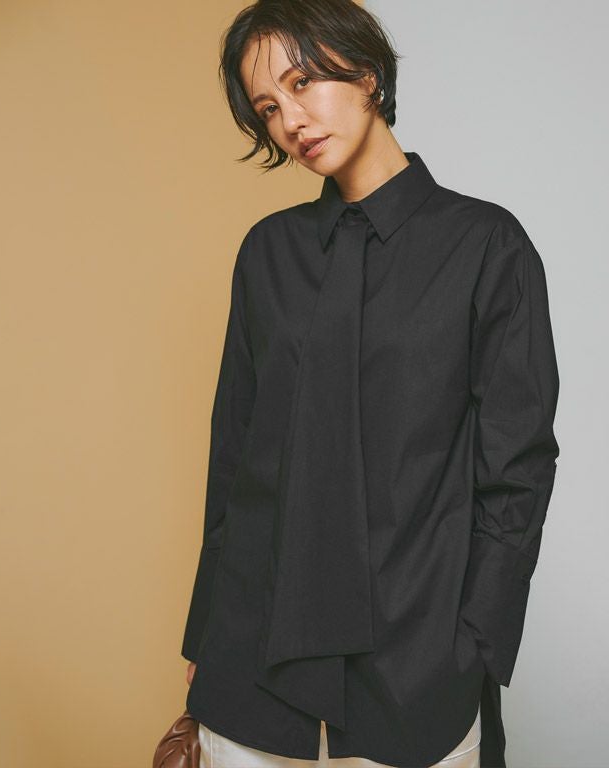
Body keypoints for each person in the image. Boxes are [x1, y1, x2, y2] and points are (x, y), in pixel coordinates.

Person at [180, 1, 560, 767]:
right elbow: (234, 455)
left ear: (366, 73)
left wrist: (473, 645)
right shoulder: (267, 254)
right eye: (267, 106)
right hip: (250, 664)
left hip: (414, 674)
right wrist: (204, 633)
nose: (291, 120)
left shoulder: (486, 245)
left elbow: (517, 469)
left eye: (303, 82)